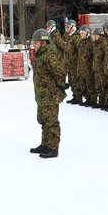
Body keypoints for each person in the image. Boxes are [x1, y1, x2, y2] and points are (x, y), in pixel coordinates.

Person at [29, 28, 66, 158]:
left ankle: (53, 147)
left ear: (43, 42)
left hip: (50, 94)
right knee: (44, 119)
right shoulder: (40, 56)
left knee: (51, 121)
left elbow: (59, 72)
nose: (34, 44)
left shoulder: (49, 55)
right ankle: (45, 143)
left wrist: (59, 86)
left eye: (36, 42)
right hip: (42, 94)